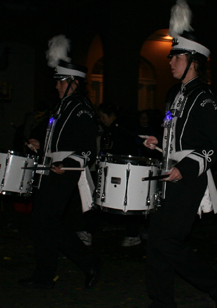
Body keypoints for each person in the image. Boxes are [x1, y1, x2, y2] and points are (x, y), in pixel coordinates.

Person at [133, 0, 217, 308]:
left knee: (168, 242)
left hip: (188, 179)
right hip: (168, 173)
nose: (170, 62)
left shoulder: (205, 97)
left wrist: (185, 168)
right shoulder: (175, 94)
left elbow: (210, 146)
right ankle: (162, 304)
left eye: (175, 58)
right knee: (158, 241)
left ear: (192, 61)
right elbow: (175, 136)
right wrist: (157, 144)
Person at [18, 35, 101, 290]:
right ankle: (46, 272)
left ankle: (86, 264)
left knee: (48, 220)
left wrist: (67, 163)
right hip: (51, 169)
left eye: (60, 82)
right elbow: (53, 137)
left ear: (73, 83)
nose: (56, 86)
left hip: (67, 170)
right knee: (43, 221)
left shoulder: (81, 107)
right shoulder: (62, 106)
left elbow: (88, 148)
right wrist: (38, 142)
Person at [97, 101, 145, 247]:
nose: (101, 120)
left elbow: (126, 150)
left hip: (124, 170)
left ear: (111, 115)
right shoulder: (110, 129)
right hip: (113, 169)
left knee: (128, 202)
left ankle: (133, 234)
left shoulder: (120, 128)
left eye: (103, 116)